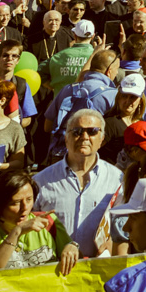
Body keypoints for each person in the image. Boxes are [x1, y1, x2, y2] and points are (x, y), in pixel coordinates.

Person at [36, 109, 120, 258]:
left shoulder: (117, 179)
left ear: (102, 139)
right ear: (66, 138)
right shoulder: (40, 180)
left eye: (92, 131)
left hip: (97, 269)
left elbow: (124, 224)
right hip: (51, 269)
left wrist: (114, 240)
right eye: (77, 131)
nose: (84, 137)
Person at [0, 167, 83, 273]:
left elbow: (78, 261)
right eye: (15, 203)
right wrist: (17, 232)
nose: (25, 207)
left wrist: (73, 247)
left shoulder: (48, 221)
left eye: (29, 199)